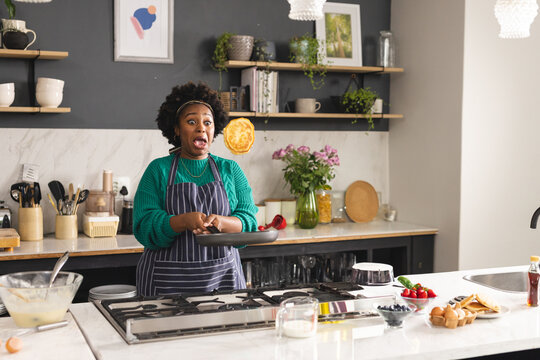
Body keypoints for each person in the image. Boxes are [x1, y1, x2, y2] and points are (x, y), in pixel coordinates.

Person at [133, 81, 258, 296]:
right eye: (192, 121)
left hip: (223, 283)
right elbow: (144, 227)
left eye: (207, 122)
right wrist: (182, 221)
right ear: (176, 129)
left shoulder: (230, 169)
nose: (201, 128)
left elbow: (249, 222)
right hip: (165, 288)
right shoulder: (158, 170)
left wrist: (222, 222)